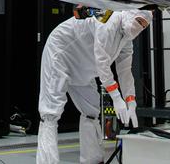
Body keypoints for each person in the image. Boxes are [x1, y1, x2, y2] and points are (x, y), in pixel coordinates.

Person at [37, 9, 150, 164]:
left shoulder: (126, 38)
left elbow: (125, 71)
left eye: (144, 26)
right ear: (129, 14)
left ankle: (93, 160)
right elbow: (102, 62)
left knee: (91, 111)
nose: (139, 28)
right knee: (51, 113)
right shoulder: (109, 22)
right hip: (61, 54)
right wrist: (116, 98)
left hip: (84, 66)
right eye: (139, 21)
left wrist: (131, 101)